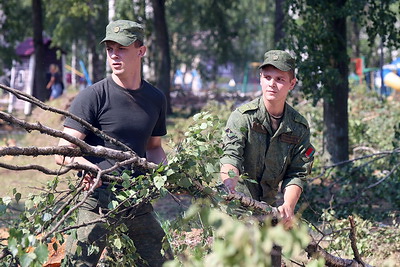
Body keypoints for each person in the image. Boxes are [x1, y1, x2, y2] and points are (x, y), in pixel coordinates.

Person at [55, 20, 172, 266]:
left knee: (162, 261)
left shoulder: (155, 98)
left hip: (134, 200)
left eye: (122, 49)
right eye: (110, 49)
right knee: (78, 264)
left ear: (141, 51)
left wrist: (167, 173)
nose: (114, 55)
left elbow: (153, 147)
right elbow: (62, 152)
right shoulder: (92, 96)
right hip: (96, 200)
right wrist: (84, 164)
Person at [220, 50, 315, 227]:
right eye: (268, 77)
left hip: (269, 209)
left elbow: (297, 172)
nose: (272, 84)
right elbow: (231, 156)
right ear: (261, 78)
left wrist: (288, 206)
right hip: (238, 208)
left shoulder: (298, 127)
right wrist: (229, 185)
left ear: (292, 84)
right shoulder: (243, 117)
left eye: (280, 79)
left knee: (272, 252)